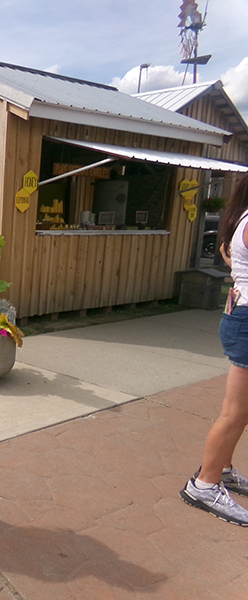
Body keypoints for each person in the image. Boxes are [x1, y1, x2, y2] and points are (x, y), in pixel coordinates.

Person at [180, 174, 248, 526]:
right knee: (235, 412)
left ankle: (222, 469)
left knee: (239, 410)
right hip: (246, 321)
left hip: (241, 316)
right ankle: (205, 485)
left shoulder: (241, 218)